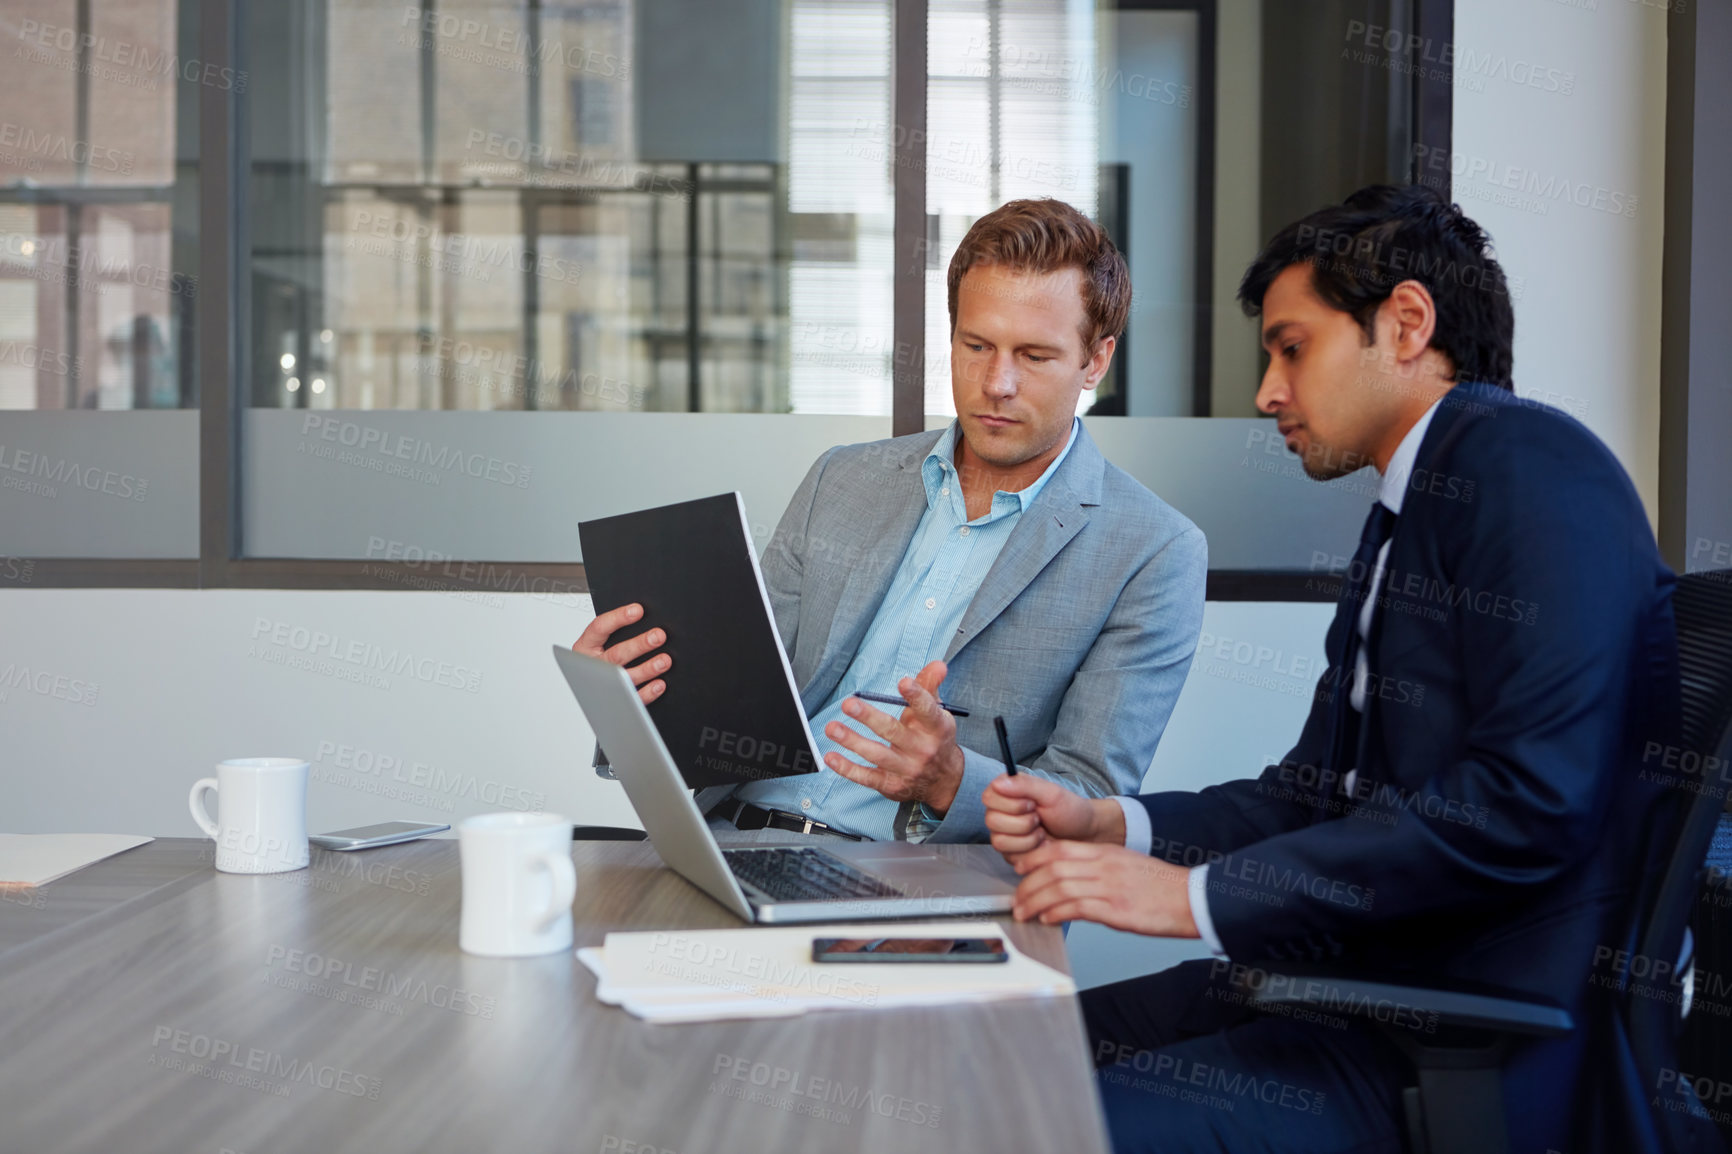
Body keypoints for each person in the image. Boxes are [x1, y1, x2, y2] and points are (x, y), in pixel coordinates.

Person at [984, 184, 1684, 1151]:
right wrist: (1120, 825)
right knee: (996, 1053)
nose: (1269, 391)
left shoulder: (1532, 467)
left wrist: (1195, 900)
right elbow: (1318, 794)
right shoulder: (1412, 510)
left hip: (1453, 1035)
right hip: (1357, 986)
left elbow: (1527, 803)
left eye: (1292, 347)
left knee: (1030, 1123)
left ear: (1405, 324)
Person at [575, 198, 1206, 842]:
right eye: (976, 345)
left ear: (1095, 360)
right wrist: (638, 698)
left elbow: (1092, 799)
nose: (997, 382)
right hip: (727, 839)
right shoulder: (841, 479)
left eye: (1036, 356)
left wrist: (952, 781)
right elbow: (745, 704)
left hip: (924, 881)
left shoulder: (1154, 550)